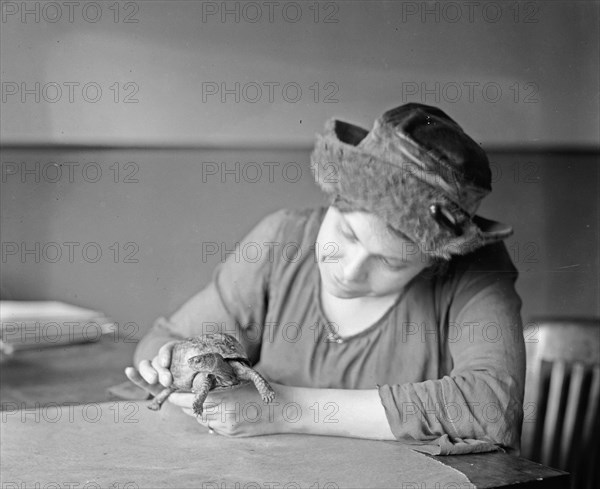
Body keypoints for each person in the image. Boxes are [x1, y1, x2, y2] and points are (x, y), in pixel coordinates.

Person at [125, 103, 526, 455]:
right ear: (332, 199)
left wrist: (282, 410)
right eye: (347, 235)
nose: (349, 271)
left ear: (435, 262)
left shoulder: (476, 268)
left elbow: (489, 404)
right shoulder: (282, 240)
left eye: (390, 262)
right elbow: (162, 340)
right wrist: (174, 366)